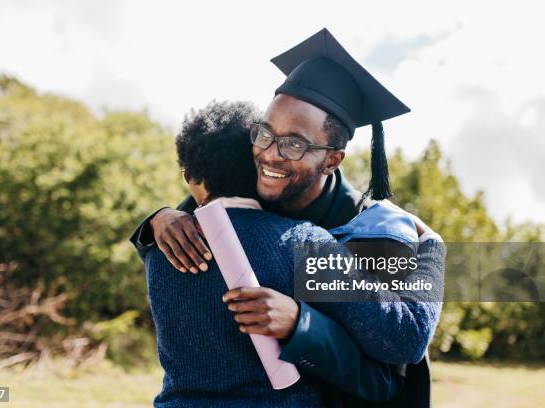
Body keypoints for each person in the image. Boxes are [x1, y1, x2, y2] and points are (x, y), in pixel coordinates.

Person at [132, 29, 445, 407]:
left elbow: (386, 374)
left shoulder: (376, 233)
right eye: (264, 133)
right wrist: (158, 222)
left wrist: (302, 325)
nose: (269, 155)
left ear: (332, 159)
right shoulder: (252, 187)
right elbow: (197, 218)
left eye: (293, 144)